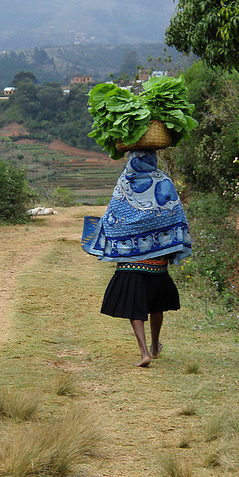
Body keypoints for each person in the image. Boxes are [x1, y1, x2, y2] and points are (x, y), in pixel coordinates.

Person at [82, 150, 191, 367]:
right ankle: (154, 345)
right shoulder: (163, 180)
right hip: (157, 261)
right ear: (152, 160)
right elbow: (175, 212)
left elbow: (113, 216)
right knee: (156, 304)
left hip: (131, 259)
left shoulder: (125, 182)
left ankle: (144, 352)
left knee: (135, 305)